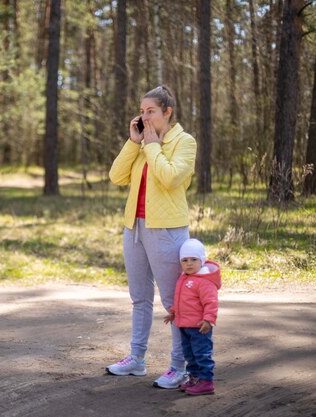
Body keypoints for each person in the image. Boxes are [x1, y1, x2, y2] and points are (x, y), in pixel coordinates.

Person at [106, 85, 197, 390]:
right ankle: (136, 359)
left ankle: (178, 367)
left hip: (167, 230)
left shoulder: (184, 142)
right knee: (140, 298)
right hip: (134, 228)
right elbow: (116, 177)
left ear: (167, 112)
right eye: (142, 111)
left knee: (174, 302)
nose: (144, 117)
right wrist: (134, 144)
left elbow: (170, 178)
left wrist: (153, 146)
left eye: (151, 111)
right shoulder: (142, 144)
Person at [164, 238, 221, 395]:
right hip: (184, 325)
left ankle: (206, 382)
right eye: (185, 260)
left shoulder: (204, 281)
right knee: (189, 354)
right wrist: (173, 312)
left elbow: (211, 302)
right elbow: (180, 298)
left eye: (194, 260)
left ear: (202, 260)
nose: (189, 263)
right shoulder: (184, 278)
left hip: (199, 327)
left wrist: (209, 320)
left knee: (202, 354)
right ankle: (195, 379)